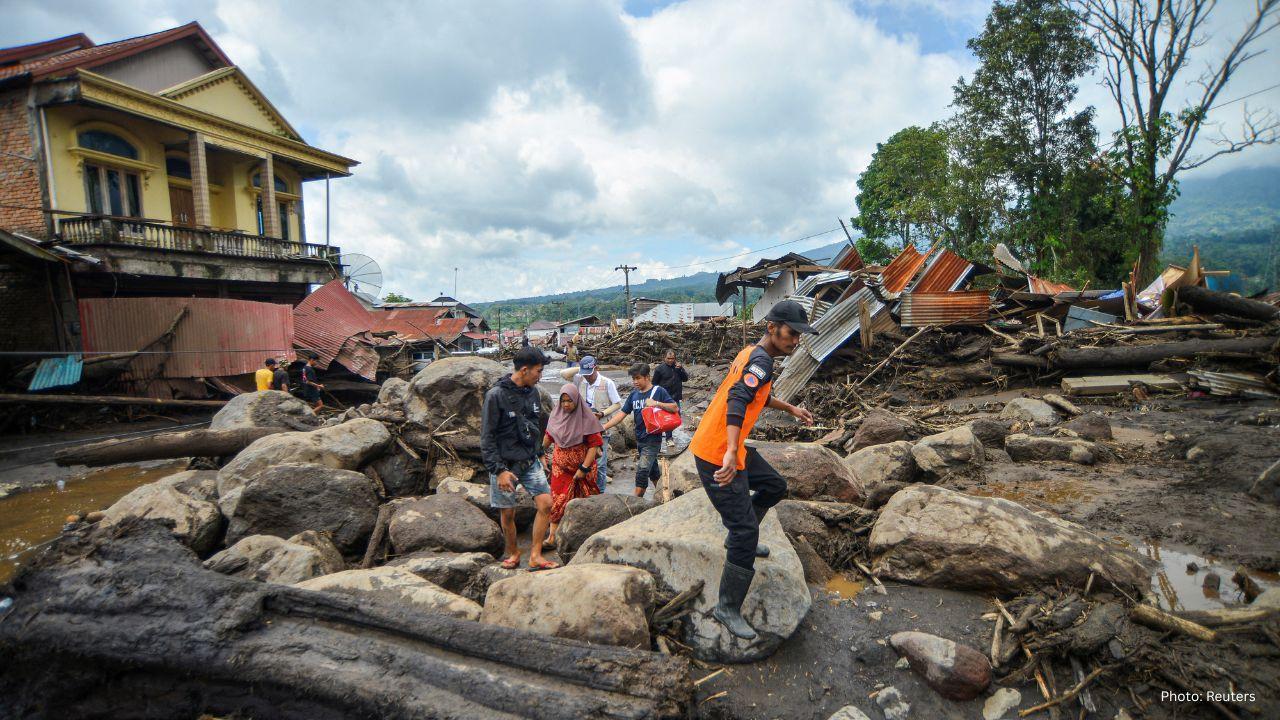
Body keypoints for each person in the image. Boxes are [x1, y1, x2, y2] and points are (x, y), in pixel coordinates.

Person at [688, 299, 817, 640]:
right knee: (747, 531)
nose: (796, 341)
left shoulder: (755, 355)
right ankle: (727, 607)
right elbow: (738, 399)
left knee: (775, 485)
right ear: (772, 328)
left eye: (799, 335)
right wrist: (731, 450)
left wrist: (790, 408)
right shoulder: (760, 359)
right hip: (717, 454)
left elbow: (757, 393)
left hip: (729, 447)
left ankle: (738, 538)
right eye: (792, 333)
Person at [480, 346, 558, 571]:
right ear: (524, 370)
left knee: (546, 504)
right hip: (505, 466)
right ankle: (513, 552)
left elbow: (534, 427)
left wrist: (541, 453)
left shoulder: (533, 392)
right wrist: (499, 470)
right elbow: (487, 437)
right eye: (538, 371)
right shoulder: (495, 396)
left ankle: (535, 555)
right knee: (508, 513)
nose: (540, 376)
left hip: (529, 460)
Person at [602, 362, 678, 498]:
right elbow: (621, 414)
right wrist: (603, 427)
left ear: (647, 377)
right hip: (640, 440)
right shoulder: (634, 395)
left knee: (642, 472)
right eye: (633, 379)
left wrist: (656, 403)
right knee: (653, 471)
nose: (635, 382)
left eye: (638, 378)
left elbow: (674, 407)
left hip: (653, 440)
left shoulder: (658, 391)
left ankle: (635, 503)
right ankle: (665, 497)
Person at [542, 383, 603, 546]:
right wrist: (538, 452)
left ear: (577, 400)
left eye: (570, 401)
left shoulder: (587, 418)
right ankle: (553, 536)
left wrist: (584, 468)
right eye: (563, 401)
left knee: (583, 500)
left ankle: (584, 534)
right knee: (558, 499)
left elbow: (594, 445)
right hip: (560, 468)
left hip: (583, 468)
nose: (566, 404)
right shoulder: (556, 416)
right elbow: (549, 437)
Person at [559, 355, 621, 492]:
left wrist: (602, 414)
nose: (587, 377)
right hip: (582, 429)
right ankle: (585, 490)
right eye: (585, 374)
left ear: (596, 368)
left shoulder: (607, 383)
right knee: (583, 460)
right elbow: (563, 374)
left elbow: (617, 404)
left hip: (601, 428)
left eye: (589, 373)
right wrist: (581, 368)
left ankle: (600, 491)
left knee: (600, 462)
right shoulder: (580, 378)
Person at [651, 350, 689, 447]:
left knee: (677, 417)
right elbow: (654, 383)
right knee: (666, 418)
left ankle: (667, 434)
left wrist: (680, 369)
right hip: (664, 398)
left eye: (672, 358)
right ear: (664, 358)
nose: (670, 360)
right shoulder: (659, 369)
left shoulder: (678, 367)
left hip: (675, 397)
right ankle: (668, 438)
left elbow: (685, 379)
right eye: (668, 358)